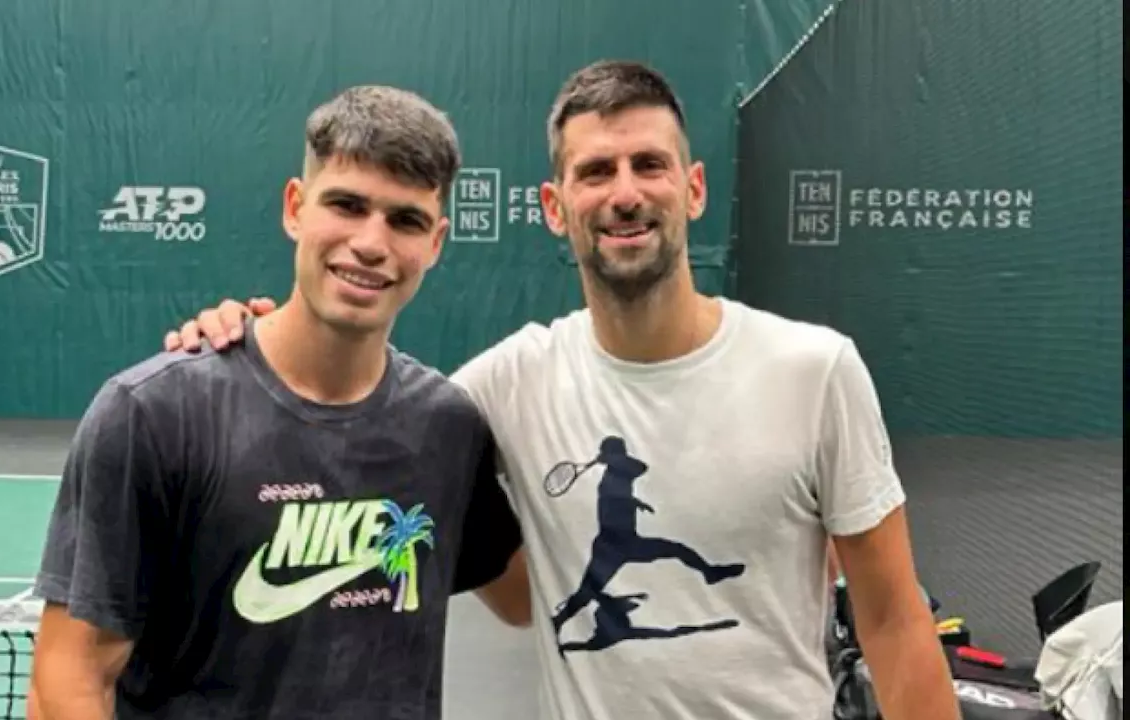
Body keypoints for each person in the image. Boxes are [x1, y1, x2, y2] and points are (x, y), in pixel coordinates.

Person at [160, 61, 961, 719]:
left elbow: (892, 623)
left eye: (649, 164)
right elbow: (368, 413)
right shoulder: (504, 386)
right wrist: (242, 338)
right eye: (594, 172)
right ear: (554, 206)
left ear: (693, 190)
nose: (624, 193)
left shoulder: (814, 369)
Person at [28, 85, 530, 720]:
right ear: (296, 208)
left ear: (436, 242)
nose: (371, 243)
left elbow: (528, 598)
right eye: (347, 205)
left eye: (405, 220)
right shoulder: (153, 413)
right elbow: (66, 680)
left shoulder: (447, 427)